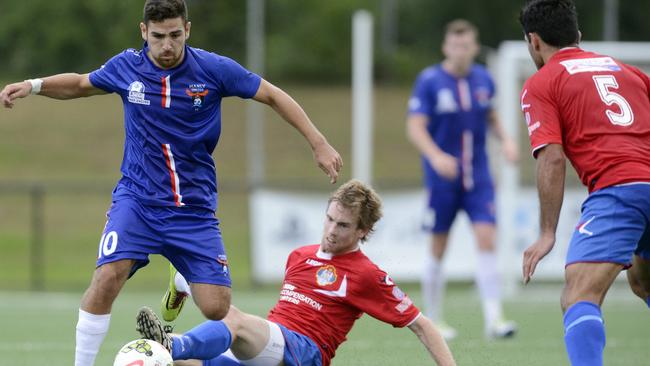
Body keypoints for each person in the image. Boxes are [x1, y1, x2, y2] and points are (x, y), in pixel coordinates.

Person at [0, 1, 342, 365]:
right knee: (107, 278)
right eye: (159, 36)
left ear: (188, 30)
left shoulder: (213, 69)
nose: (167, 45)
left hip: (193, 209)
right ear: (144, 32)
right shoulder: (126, 67)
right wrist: (33, 85)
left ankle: (180, 280)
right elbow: (82, 83)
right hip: (137, 201)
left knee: (215, 308)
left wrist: (318, 142)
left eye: (175, 35)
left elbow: (272, 94)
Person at [136, 179, 457, 366]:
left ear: (363, 231)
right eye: (329, 218)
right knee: (161, 359)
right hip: (270, 346)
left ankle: (176, 326)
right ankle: (174, 325)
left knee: (227, 321)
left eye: (343, 225)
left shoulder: (366, 275)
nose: (331, 230)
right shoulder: (299, 256)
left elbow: (422, 326)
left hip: (304, 354)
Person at [519, 1, 650, 365]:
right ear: (577, 35)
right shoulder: (630, 72)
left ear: (534, 41)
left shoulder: (542, 82)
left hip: (619, 191)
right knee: (643, 281)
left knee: (578, 296)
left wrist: (547, 232)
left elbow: (552, 157)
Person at [406, 19, 518, 340]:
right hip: (443, 180)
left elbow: (491, 115)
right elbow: (415, 126)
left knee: (487, 239)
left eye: (466, 45)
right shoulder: (429, 81)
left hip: (478, 177)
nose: (461, 51)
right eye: (455, 45)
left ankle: (494, 319)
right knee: (438, 244)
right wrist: (436, 156)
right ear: (445, 47)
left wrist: (507, 140)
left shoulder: (483, 79)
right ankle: (434, 319)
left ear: (474, 47)